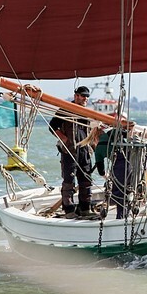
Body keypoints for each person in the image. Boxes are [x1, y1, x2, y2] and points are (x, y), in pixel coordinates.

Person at [50, 86, 94, 218]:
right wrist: (64, 139)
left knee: (86, 179)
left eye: (87, 96)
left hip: (84, 150)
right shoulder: (65, 109)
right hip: (69, 150)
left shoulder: (87, 112)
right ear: (76, 96)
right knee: (69, 180)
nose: (85, 98)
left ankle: (85, 208)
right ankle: (69, 210)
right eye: (83, 96)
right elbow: (52, 126)